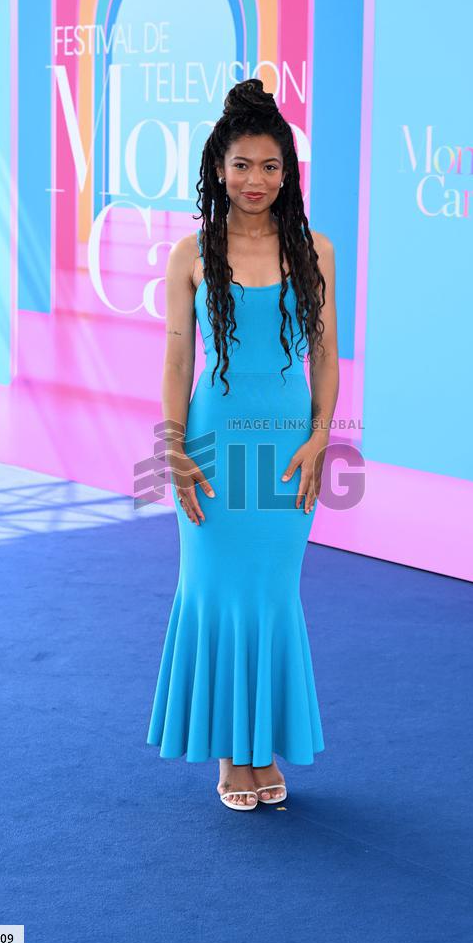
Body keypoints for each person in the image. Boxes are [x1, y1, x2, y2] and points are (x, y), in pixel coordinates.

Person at [146, 78, 339, 811]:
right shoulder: (191, 254)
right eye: (242, 166)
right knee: (217, 592)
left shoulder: (315, 249)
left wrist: (322, 437)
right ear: (217, 169)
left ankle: (262, 750)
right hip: (214, 447)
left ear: (286, 173)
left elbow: (325, 356)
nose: (255, 181)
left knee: (271, 593)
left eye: (269, 167)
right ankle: (233, 754)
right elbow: (174, 361)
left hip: (288, 451)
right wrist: (172, 446)